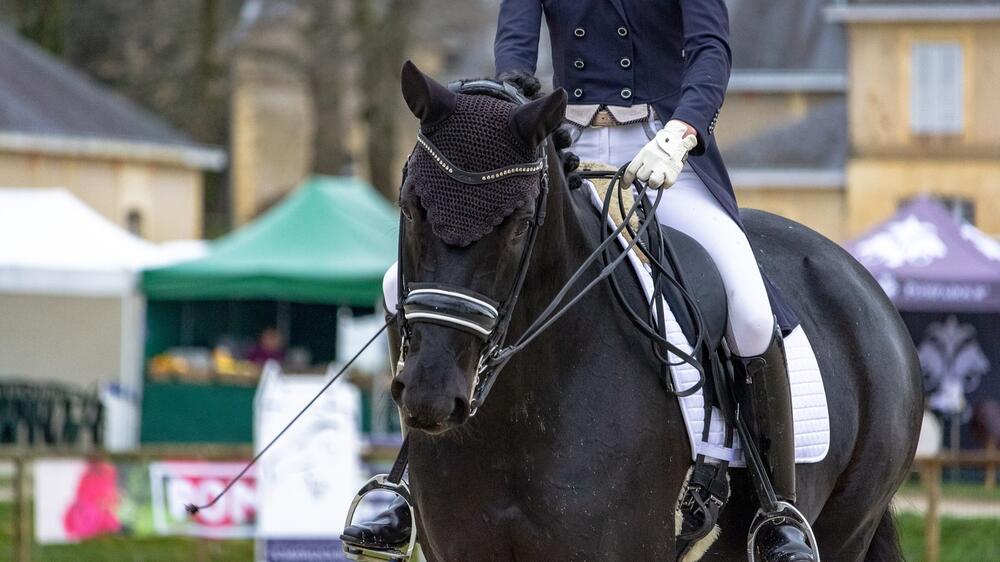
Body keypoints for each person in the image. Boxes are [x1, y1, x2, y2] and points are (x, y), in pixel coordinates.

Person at [344, 2, 813, 560]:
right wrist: (511, 107)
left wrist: (683, 132)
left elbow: (710, 49)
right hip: (557, 148)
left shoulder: (674, 138)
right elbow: (516, 41)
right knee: (402, 282)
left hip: (662, 149)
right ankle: (406, 483)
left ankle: (775, 510)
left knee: (751, 310)